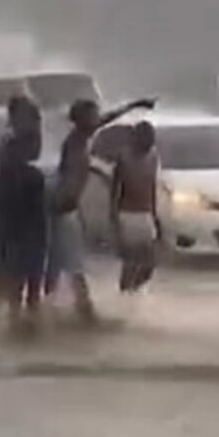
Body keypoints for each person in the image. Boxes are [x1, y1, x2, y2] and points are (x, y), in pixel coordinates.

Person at [46, 96, 157, 320]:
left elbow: (107, 119)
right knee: (68, 265)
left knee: (64, 264)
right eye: (94, 115)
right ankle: (77, 313)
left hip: (68, 209)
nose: (98, 119)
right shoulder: (75, 142)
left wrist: (133, 105)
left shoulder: (82, 138)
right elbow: (67, 178)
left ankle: (54, 311)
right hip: (62, 209)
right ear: (82, 119)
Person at [0, 94, 46, 329]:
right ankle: (17, 323)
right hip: (18, 221)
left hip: (27, 221)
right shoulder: (11, 149)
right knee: (21, 275)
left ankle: (24, 323)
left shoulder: (19, 150)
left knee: (31, 275)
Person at [111, 121, 159, 293]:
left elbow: (152, 187)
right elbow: (114, 192)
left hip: (146, 214)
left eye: (152, 139)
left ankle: (133, 291)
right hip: (127, 214)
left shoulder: (153, 156)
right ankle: (124, 296)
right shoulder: (123, 158)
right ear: (136, 139)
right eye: (146, 139)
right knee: (130, 262)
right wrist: (115, 222)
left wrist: (155, 217)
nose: (150, 143)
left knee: (150, 264)